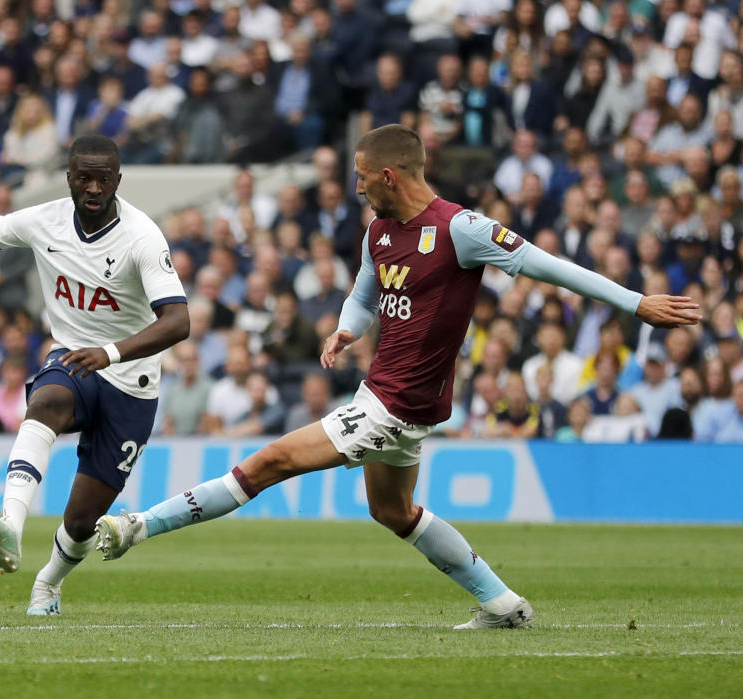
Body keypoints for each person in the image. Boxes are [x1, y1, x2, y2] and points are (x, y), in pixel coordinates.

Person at [96, 124, 700, 630]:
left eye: (362, 177)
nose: (356, 188)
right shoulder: (379, 232)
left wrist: (635, 302)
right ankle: (501, 602)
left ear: (390, 175)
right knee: (393, 512)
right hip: (387, 393)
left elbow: (552, 268)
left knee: (268, 463)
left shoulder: (461, 230)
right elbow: (365, 296)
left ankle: (138, 526)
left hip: (396, 403)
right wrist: (346, 329)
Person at [0, 135, 188, 617]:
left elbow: (178, 321)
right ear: (69, 179)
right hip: (74, 360)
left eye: (104, 178)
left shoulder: (142, 236)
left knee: (82, 521)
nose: (94, 187)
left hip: (131, 382)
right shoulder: (45, 219)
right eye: (85, 177)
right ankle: (11, 526)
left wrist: (111, 352)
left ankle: (49, 582)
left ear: (118, 181)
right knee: (46, 402)